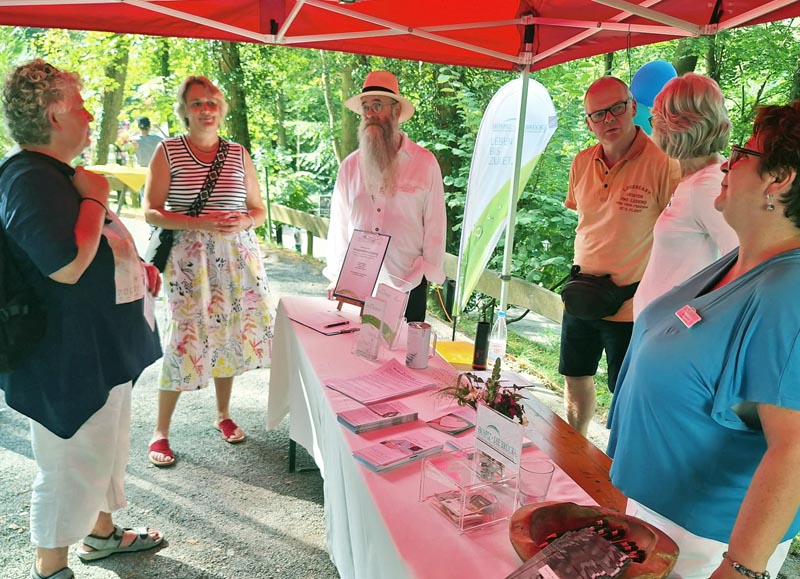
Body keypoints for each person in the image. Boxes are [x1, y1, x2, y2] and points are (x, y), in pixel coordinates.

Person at [607, 101, 800, 579]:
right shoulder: (744, 259)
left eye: (742, 153)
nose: (727, 163)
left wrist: (740, 568)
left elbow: (794, 447)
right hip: (659, 515)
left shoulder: (788, 290)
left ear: (779, 180)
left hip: (704, 543)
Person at [0, 59, 163, 579]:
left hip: (97, 347)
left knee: (105, 450)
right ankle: (51, 570)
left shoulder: (53, 174)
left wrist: (133, 267)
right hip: (62, 356)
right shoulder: (28, 177)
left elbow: (89, 251)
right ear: (53, 116)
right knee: (69, 463)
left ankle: (102, 535)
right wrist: (95, 199)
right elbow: (66, 264)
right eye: (80, 105)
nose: (91, 114)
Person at [144, 75, 272, 467]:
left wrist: (243, 223)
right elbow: (150, 211)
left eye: (212, 101)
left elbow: (259, 210)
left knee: (229, 333)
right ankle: (160, 431)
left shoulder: (238, 153)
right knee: (184, 336)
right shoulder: (168, 151)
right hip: (188, 262)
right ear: (184, 110)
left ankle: (223, 414)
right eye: (197, 102)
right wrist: (197, 222)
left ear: (222, 108)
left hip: (236, 259)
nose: (206, 108)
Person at [559, 76, 680, 436]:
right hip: (580, 295)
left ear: (632, 107)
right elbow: (587, 223)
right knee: (574, 377)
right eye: (597, 115)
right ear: (588, 122)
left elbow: (675, 235)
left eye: (615, 109)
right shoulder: (581, 162)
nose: (608, 120)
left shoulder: (663, 163)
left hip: (629, 305)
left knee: (625, 392)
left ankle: (617, 472)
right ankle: (577, 452)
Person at [323, 70, 447, 322]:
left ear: (396, 112)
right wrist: (337, 276)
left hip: (407, 281)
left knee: (403, 359)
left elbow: (435, 223)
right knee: (351, 355)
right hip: (357, 285)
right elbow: (339, 226)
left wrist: (431, 271)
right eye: (365, 107)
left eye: (377, 106)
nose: (369, 114)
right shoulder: (350, 166)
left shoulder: (424, 163)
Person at [633, 73, 738, 318]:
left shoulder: (707, 185)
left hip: (674, 336)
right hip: (661, 331)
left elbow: (744, 263)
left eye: (655, 119)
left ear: (671, 127)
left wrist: (694, 319)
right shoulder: (697, 178)